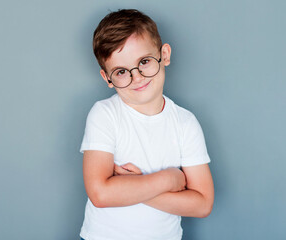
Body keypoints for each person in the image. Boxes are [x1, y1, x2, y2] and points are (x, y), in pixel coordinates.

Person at [79, 9, 214, 240]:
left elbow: (202, 204)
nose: (137, 77)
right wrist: (169, 179)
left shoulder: (185, 123)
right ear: (107, 78)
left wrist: (132, 187)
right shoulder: (105, 114)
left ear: (165, 54)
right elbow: (100, 194)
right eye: (121, 71)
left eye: (144, 61)